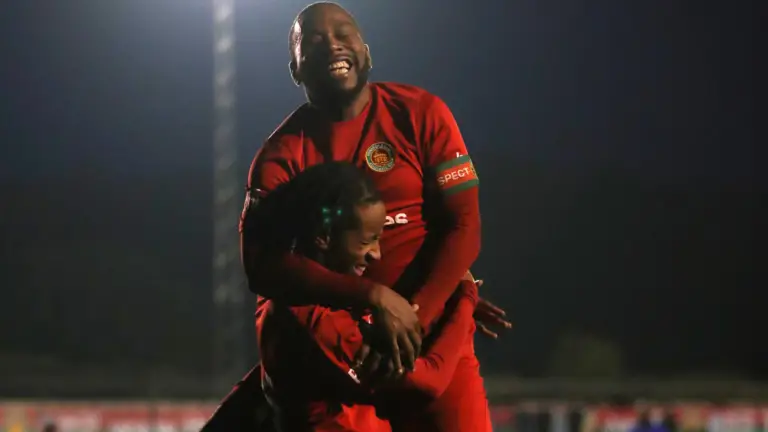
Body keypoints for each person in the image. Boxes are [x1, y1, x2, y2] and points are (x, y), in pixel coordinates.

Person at [240, 2, 510, 430]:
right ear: (295, 68)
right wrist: (373, 298)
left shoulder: (421, 113)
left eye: (343, 33)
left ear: (366, 52)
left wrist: (414, 316)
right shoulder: (281, 154)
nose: (332, 43)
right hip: (337, 345)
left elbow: (465, 225)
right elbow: (260, 264)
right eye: (312, 39)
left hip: (425, 328)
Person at [241, 161, 479, 431]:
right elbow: (428, 383)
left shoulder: (310, 296)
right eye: (366, 241)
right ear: (324, 237)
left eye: (379, 239)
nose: (377, 253)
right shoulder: (318, 322)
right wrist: (464, 297)